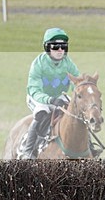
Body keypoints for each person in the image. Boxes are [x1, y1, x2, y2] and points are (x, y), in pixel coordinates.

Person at [21, 28, 80, 159]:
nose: (60, 50)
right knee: (42, 113)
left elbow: (77, 81)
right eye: (55, 46)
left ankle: (87, 145)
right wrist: (51, 100)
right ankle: (28, 150)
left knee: (76, 111)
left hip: (59, 95)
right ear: (47, 48)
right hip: (38, 97)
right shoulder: (38, 64)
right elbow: (34, 90)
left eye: (63, 46)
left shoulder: (68, 63)